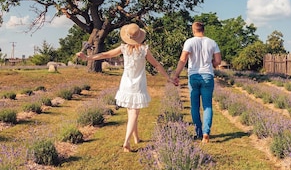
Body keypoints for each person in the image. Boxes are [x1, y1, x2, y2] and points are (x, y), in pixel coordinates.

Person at [76, 23, 176, 152]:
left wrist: (88, 57)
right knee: (134, 112)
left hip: (126, 83)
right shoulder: (144, 50)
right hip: (138, 84)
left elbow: (105, 55)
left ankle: (136, 137)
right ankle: (126, 142)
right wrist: (168, 78)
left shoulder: (123, 48)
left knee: (132, 112)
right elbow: (156, 65)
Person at [172, 21, 221, 143]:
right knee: (207, 106)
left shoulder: (189, 42)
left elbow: (183, 59)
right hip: (207, 76)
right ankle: (206, 133)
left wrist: (176, 75)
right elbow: (218, 61)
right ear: (203, 30)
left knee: (195, 106)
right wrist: (212, 64)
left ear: (193, 30)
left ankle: (198, 131)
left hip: (193, 75)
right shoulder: (212, 42)